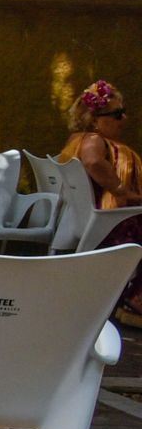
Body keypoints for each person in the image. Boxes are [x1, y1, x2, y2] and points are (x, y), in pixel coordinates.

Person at [60, 79, 142, 327]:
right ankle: (135, 302)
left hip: (100, 220)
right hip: (113, 223)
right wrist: (122, 190)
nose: (124, 118)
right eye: (117, 114)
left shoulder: (78, 139)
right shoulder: (93, 141)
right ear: (94, 119)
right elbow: (94, 162)